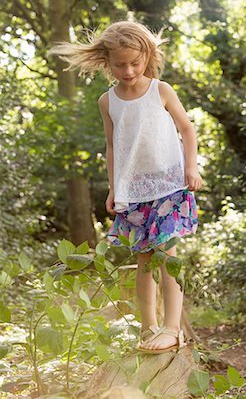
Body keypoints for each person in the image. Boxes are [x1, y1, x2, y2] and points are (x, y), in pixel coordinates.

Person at [49, 20, 203, 354]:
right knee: (144, 262)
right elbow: (112, 146)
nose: (129, 70)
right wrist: (113, 188)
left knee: (167, 258)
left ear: (147, 56)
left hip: (169, 185)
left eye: (135, 62)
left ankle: (172, 329)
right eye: (121, 64)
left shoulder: (160, 91)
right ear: (107, 62)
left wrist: (191, 166)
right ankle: (148, 329)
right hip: (134, 193)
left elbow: (187, 129)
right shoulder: (108, 101)